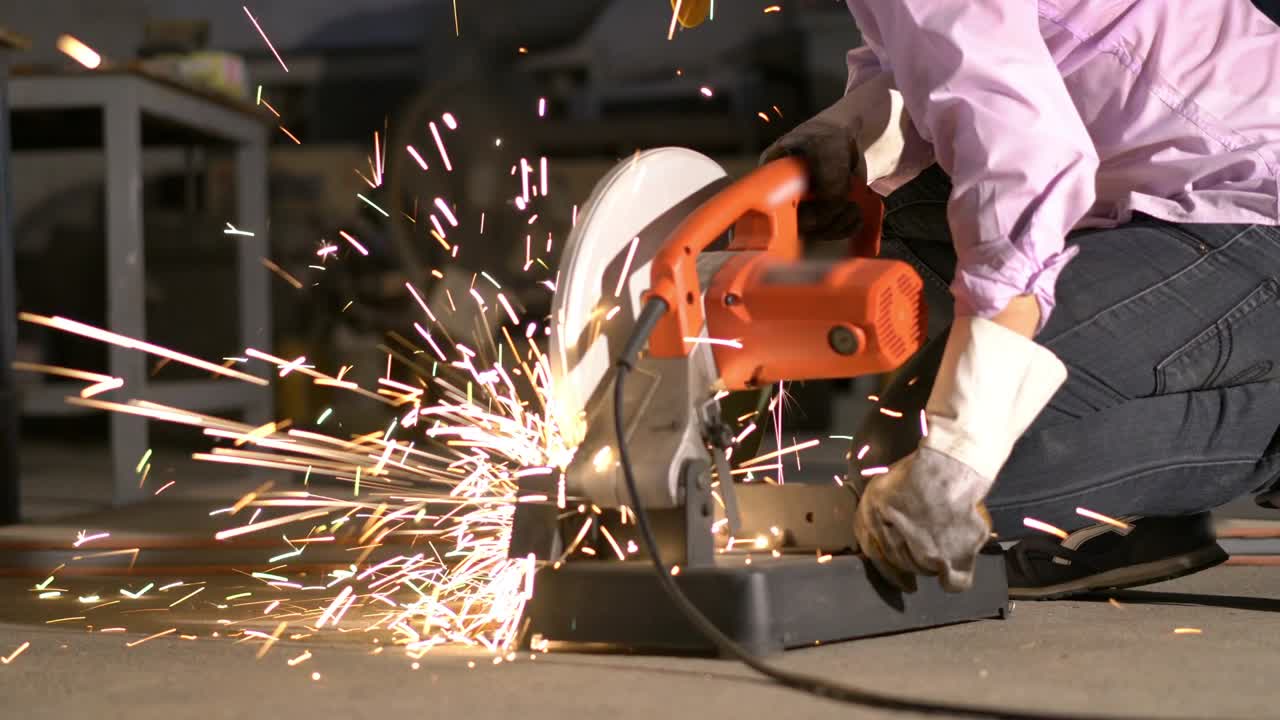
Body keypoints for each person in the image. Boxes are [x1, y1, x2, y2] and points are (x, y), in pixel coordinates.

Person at [761, 0, 1280, 599]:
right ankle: (1135, 511)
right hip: (1186, 183)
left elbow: (1023, 163)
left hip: (1249, 202)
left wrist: (961, 448)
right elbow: (946, 62)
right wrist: (846, 130)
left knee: (931, 471)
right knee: (901, 198)